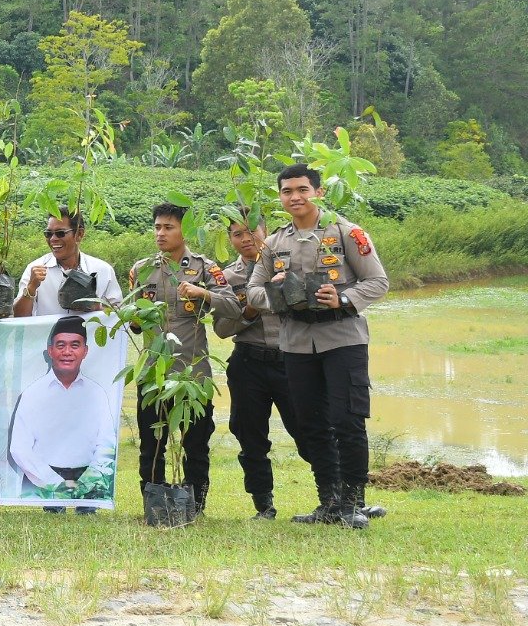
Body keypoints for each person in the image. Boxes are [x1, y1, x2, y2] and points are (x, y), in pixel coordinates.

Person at [247, 164, 390, 530]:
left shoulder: (347, 233)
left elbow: (378, 282)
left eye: (302, 190)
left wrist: (342, 298)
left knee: (348, 420)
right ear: (280, 196)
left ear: (318, 192)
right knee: (311, 424)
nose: (295, 197)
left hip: (343, 338)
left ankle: (353, 503)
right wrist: (276, 290)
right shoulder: (273, 244)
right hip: (296, 343)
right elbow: (253, 292)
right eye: (287, 191)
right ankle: (329, 502)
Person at [126, 202, 238, 515]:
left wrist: (204, 294)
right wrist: (133, 317)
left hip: (193, 374)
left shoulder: (205, 268)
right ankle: (154, 506)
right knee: (152, 446)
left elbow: (233, 306)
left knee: (196, 446)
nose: (160, 234)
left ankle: (195, 507)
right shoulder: (141, 270)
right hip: (154, 373)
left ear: (184, 230)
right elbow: (135, 324)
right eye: (157, 227)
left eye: (168, 227)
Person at [213, 212, 307, 520]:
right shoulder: (227, 279)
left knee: (309, 429)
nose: (246, 239)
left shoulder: (288, 266)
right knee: (250, 436)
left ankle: (337, 498)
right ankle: (263, 505)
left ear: (267, 232)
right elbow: (222, 329)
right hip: (248, 363)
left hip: (291, 360)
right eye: (237, 234)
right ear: (230, 239)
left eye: (252, 231)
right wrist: (249, 312)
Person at [8, 316, 117, 507]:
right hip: (40, 483)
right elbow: (19, 448)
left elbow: (107, 443)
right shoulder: (32, 394)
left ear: (85, 351)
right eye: (60, 345)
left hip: (89, 482)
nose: (67, 352)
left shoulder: (97, 393)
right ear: (50, 351)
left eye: (75, 345)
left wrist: (86, 482)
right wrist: (55, 483)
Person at [15, 211, 122, 317]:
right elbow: (18, 317)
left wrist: (96, 306)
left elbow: (119, 314)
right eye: (48, 234)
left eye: (60, 233)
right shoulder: (35, 270)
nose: (53, 239)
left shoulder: (103, 270)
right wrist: (31, 288)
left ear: (79, 234)